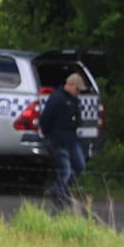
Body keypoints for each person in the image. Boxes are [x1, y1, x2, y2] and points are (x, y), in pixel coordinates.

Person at [39, 73, 87, 209]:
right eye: (77, 89)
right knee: (65, 169)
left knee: (80, 166)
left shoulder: (74, 101)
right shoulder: (57, 98)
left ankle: (61, 189)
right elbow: (45, 119)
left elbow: (77, 120)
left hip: (71, 139)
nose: (78, 92)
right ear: (70, 85)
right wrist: (50, 134)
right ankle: (59, 193)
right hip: (57, 139)